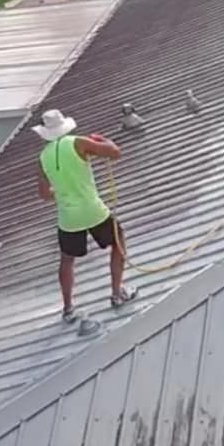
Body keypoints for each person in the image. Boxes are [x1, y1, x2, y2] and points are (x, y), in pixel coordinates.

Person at [33, 109, 136, 323]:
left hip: (68, 217)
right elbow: (115, 153)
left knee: (67, 260)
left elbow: (44, 195)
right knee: (119, 241)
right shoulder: (78, 142)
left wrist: (62, 192)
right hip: (93, 210)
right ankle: (117, 294)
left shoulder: (43, 158)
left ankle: (68, 308)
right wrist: (102, 140)